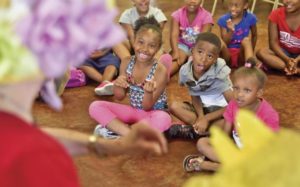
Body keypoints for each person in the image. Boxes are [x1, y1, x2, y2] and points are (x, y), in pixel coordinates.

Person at [183, 57, 280, 172]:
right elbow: (225, 135)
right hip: (237, 149)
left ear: (259, 92)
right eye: (236, 88)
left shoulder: (269, 115)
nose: (239, 94)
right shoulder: (234, 104)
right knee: (202, 143)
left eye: (247, 90)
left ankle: (209, 165)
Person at [89, 16, 171, 138]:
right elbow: (120, 96)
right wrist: (118, 84)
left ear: (158, 49)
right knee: (95, 106)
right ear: (134, 41)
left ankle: (117, 132)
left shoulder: (160, 71)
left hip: (153, 113)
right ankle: (130, 134)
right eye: (141, 42)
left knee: (164, 119)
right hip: (133, 112)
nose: (144, 49)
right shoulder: (127, 62)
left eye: (152, 45)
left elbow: (147, 106)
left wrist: (148, 92)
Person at [166, 32, 233, 140]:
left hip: (221, 112)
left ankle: (192, 132)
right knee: (174, 106)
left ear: (215, 59)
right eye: (200, 52)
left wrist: (207, 118)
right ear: (192, 51)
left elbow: (233, 105)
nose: (203, 58)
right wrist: (201, 116)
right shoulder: (186, 71)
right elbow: (195, 94)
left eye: (209, 56)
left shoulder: (220, 73)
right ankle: (201, 130)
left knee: (231, 125)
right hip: (202, 109)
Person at [169, 0, 214, 76]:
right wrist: (175, 52)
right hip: (182, 44)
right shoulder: (177, 15)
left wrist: (194, 54)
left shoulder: (207, 16)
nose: (192, 1)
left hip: (199, 46)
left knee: (199, 64)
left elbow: (203, 40)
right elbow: (174, 35)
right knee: (179, 59)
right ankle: (162, 76)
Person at [256, 0, 300, 76]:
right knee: (262, 52)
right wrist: (287, 60)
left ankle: (291, 69)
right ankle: (293, 69)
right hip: (283, 53)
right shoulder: (276, 14)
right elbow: (273, 43)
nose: (287, 1)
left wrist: (297, 60)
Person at [218, 0, 257, 68]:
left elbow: (254, 35)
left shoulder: (250, 18)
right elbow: (225, 43)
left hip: (241, 56)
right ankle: (215, 66)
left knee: (246, 40)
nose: (233, 8)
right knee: (218, 40)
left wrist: (249, 52)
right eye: (230, 5)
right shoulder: (223, 20)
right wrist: (230, 31)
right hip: (227, 56)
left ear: (245, 6)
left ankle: (249, 67)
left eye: (236, 6)